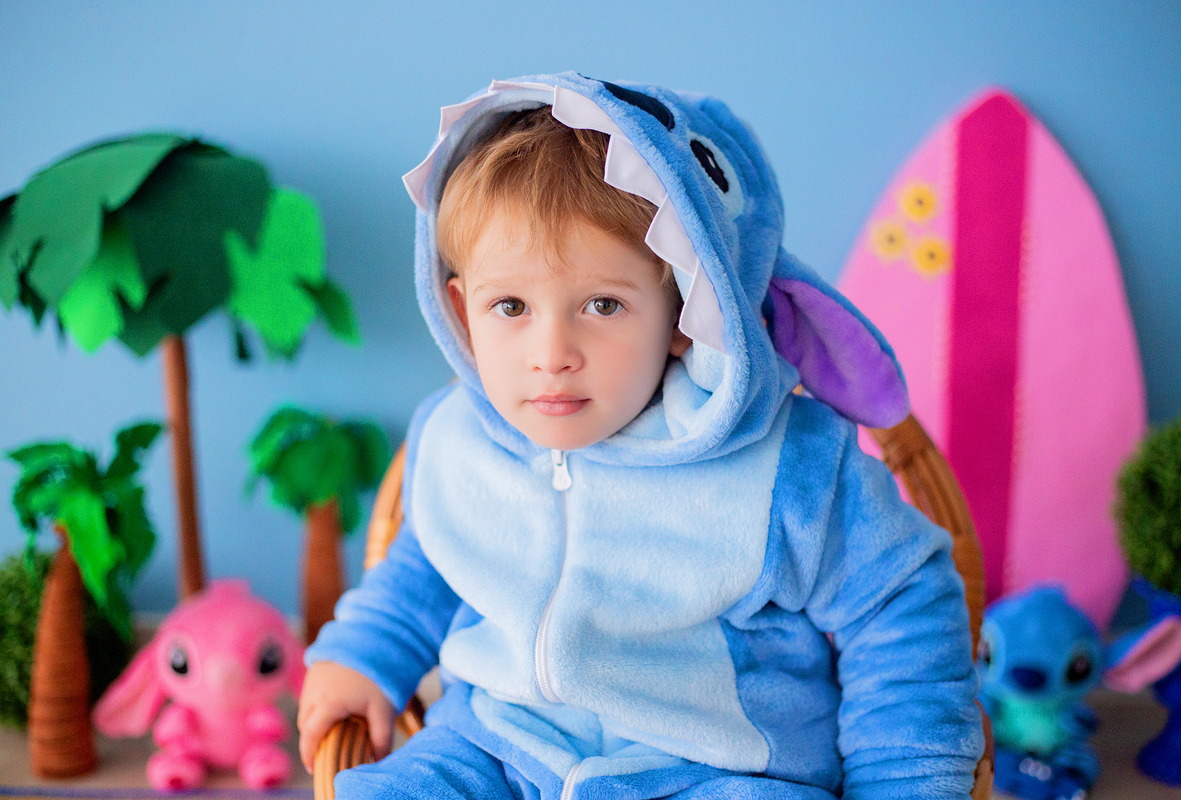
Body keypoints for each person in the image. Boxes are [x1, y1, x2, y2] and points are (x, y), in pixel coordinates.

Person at [298, 73, 983, 800]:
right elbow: (425, 568)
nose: (551, 351)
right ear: (462, 310)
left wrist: (903, 777)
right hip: (497, 749)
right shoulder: (460, 443)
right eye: (511, 306)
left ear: (686, 314)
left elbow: (901, 598)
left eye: (602, 304)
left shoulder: (788, 465)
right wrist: (363, 655)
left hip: (719, 770)